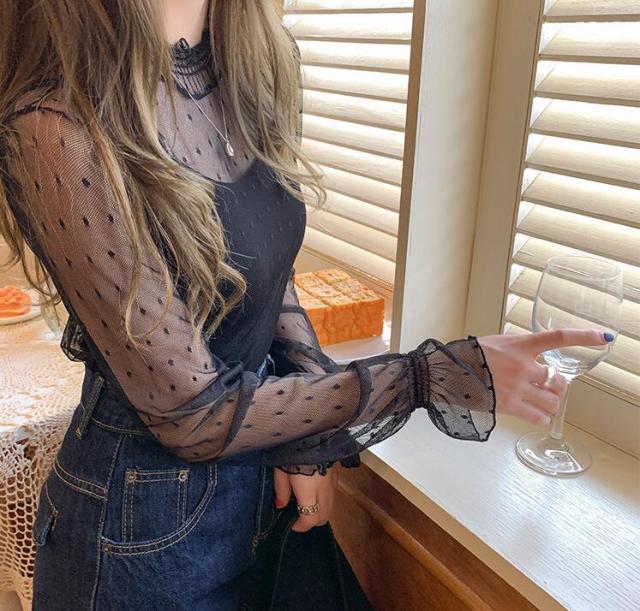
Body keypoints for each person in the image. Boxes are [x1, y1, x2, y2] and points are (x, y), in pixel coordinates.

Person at [0, 0, 611, 609]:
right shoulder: (56, 125)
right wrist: (428, 376)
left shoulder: (254, 63)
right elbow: (192, 413)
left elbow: (265, 268)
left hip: (259, 480)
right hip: (138, 531)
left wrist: (306, 442)